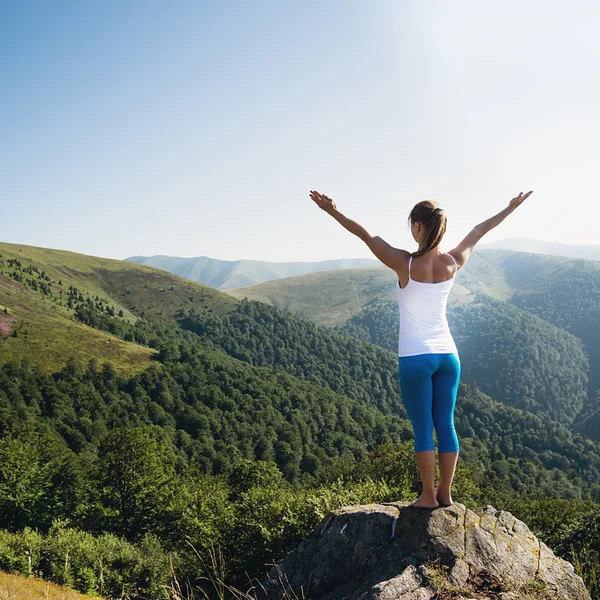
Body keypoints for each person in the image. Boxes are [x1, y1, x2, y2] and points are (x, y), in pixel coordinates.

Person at [309, 189, 533, 508]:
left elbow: (365, 234)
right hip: (448, 356)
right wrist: (509, 209)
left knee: (422, 429)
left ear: (416, 226)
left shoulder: (405, 263)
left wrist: (333, 211)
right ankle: (446, 493)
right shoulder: (454, 261)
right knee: (447, 423)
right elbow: (480, 230)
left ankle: (427, 496)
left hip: (415, 358)